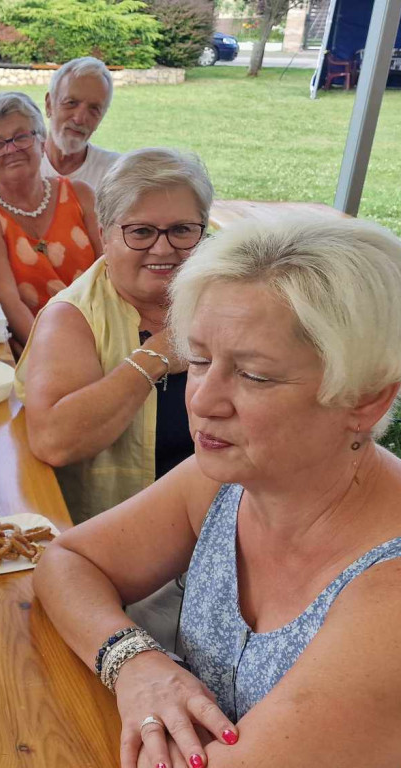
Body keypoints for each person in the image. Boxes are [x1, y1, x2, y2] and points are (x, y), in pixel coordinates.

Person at [34, 216, 401, 768]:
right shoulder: (230, 477)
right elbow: (66, 560)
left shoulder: (388, 596)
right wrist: (134, 661)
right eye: (200, 360)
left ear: (364, 401)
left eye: (254, 375)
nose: (202, 400)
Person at [17, 148, 213, 524]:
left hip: (222, 525)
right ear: (105, 236)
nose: (163, 248)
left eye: (182, 230)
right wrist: (154, 356)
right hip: (117, 541)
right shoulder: (73, 317)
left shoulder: (230, 298)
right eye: (140, 231)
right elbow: (54, 442)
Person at [0, 91, 102, 347]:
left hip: (103, 332)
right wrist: (55, 355)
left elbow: (112, 274)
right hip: (38, 347)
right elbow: (9, 304)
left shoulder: (82, 196)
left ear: (42, 142)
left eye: (21, 137)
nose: (11, 150)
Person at [0, 57, 119, 254]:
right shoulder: (17, 161)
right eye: (71, 103)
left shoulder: (115, 173)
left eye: (94, 109)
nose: (79, 118)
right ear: (50, 104)